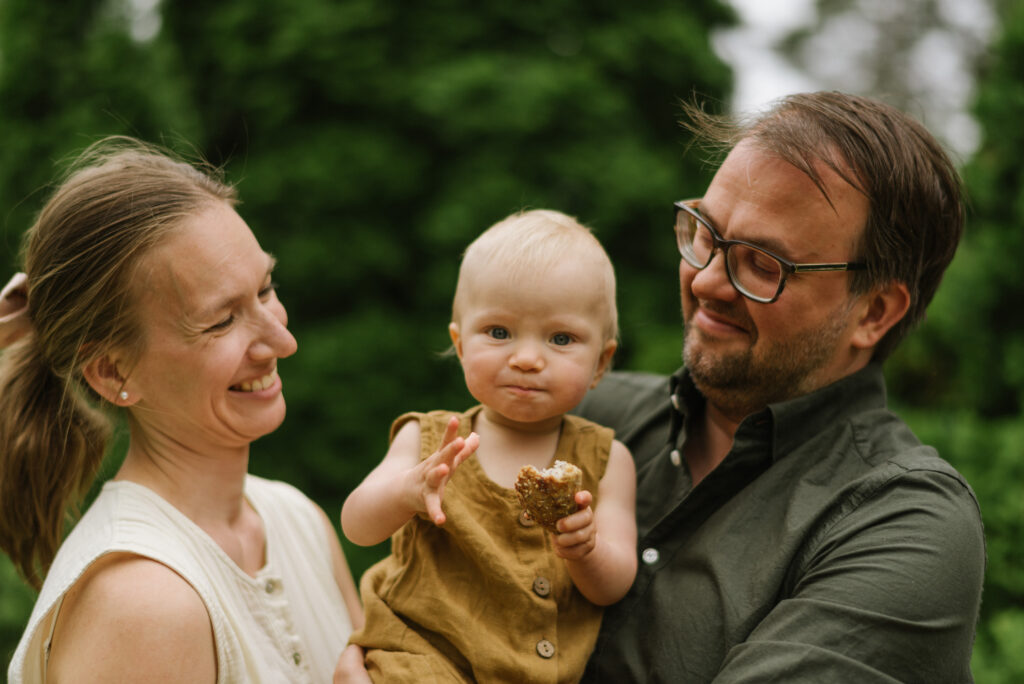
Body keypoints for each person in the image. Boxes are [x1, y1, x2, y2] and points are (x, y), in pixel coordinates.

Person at [574, 91, 986, 683]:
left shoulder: (905, 525)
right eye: (704, 234)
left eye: (764, 264)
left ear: (873, 312)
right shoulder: (587, 413)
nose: (707, 282)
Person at [0, 136, 365, 683]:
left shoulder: (298, 520)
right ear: (113, 372)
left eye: (266, 289)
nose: (283, 342)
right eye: (221, 321)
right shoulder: (141, 604)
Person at [340, 210, 638, 682]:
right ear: (460, 345)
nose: (526, 358)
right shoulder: (428, 440)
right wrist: (406, 491)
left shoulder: (607, 461)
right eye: (499, 333)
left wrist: (587, 549)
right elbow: (357, 526)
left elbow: (613, 586)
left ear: (601, 363)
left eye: (561, 338)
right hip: (419, 657)